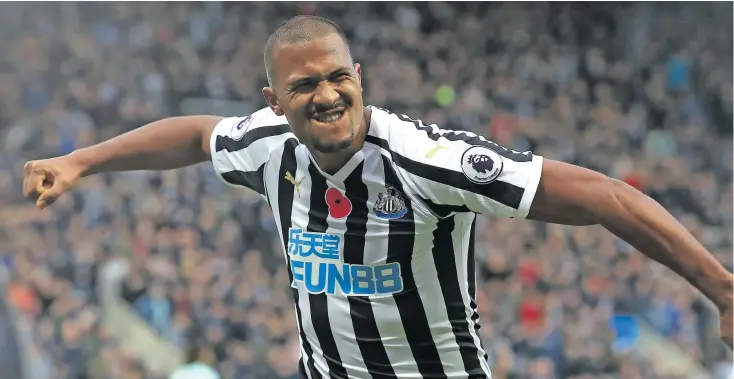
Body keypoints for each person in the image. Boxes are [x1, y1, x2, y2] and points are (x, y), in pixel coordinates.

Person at [22, 15, 732, 379]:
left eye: (338, 77)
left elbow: (605, 196)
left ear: (359, 74)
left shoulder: (427, 161)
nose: (327, 95)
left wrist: (723, 290)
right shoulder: (266, 144)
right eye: (304, 86)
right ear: (275, 101)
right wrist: (82, 161)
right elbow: (192, 136)